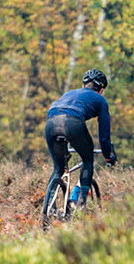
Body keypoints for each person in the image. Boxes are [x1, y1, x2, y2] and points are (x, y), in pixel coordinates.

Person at [45, 68, 117, 209]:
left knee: (58, 168)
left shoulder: (69, 93)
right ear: (101, 90)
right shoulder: (101, 100)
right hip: (72, 123)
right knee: (88, 158)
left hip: (51, 123)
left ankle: (49, 207)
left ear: (83, 85)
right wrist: (108, 156)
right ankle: (81, 203)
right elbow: (104, 135)